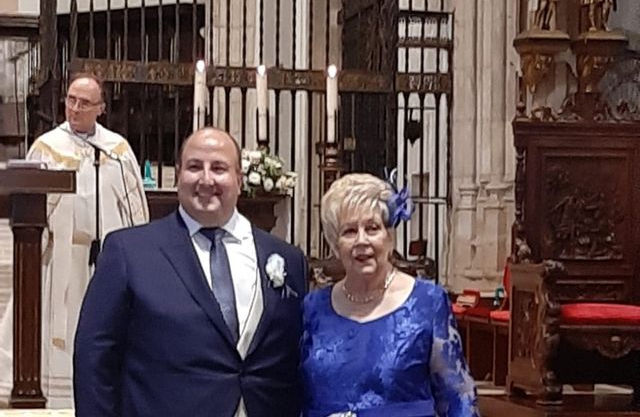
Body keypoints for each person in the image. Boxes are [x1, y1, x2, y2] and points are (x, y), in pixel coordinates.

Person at [73, 127, 308, 417]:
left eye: (219, 168)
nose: (206, 179)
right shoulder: (129, 252)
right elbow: (94, 355)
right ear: (178, 175)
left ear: (239, 179)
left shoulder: (287, 259)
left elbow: (296, 359)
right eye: (195, 167)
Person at [0, 74, 148, 407]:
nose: (75, 109)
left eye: (84, 103)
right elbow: (29, 201)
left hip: (106, 262)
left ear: (101, 108)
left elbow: (135, 207)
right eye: (70, 100)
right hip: (61, 258)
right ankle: (55, 398)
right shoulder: (48, 146)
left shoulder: (117, 150)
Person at [302, 173, 479, 417]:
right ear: (335, 243)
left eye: (372, 228)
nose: (361, 241)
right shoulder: (313, 307)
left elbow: (458, 398)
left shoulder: (427, 302)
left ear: (389, 237)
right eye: (350, 231)